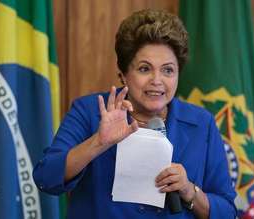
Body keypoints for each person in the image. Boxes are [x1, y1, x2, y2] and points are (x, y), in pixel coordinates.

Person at [33, 9, 236, 219]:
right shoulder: (89, 112)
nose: (157, 80)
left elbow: (228, 212)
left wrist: (188, 190)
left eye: (168, 70)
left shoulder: (201, 123)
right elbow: (45, 178)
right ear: (123, 74)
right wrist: (98, 142)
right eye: (144, 69)